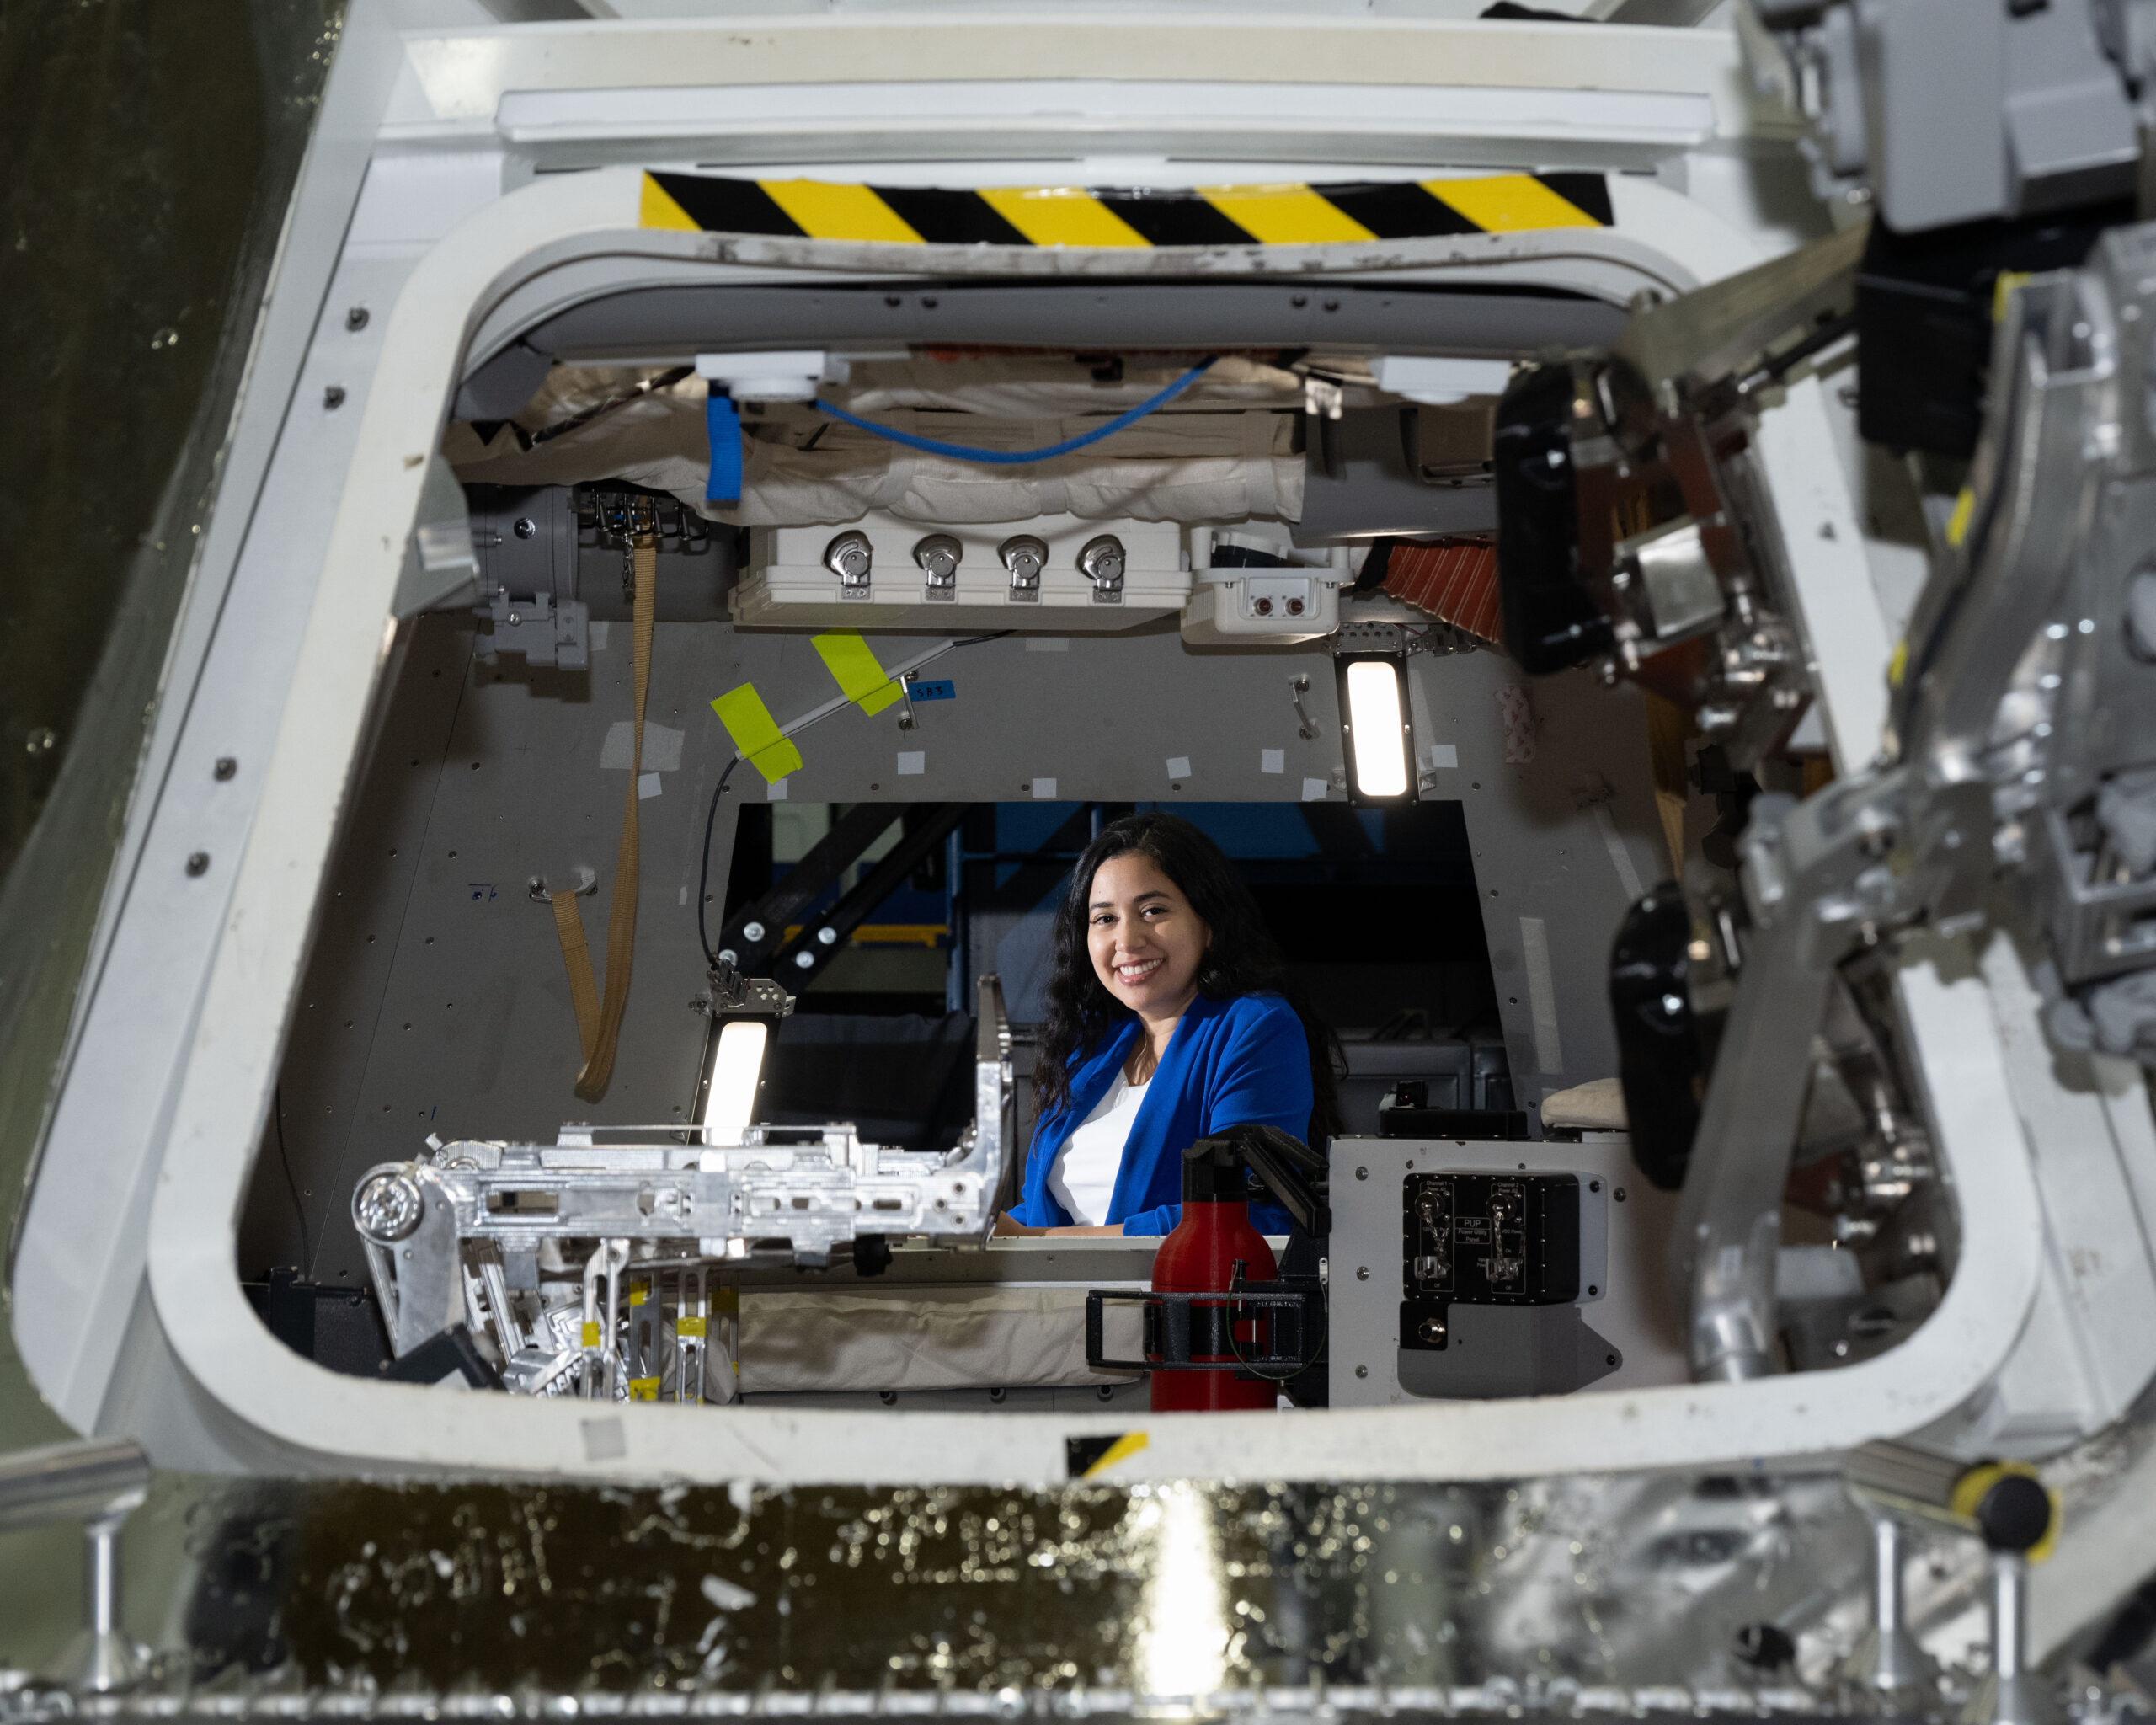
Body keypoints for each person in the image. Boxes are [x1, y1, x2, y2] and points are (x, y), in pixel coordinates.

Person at [995, 811, 1339, 1238]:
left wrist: (1043, 1242)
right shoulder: (1091, 1045)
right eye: (1105, 918)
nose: (1127, 941)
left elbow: (1253, 1212)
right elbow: (1046, 1213)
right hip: (1057, 1297)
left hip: (1175, 1301)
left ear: (1209, 924)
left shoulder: (1254, 1027)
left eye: (1153, 910)